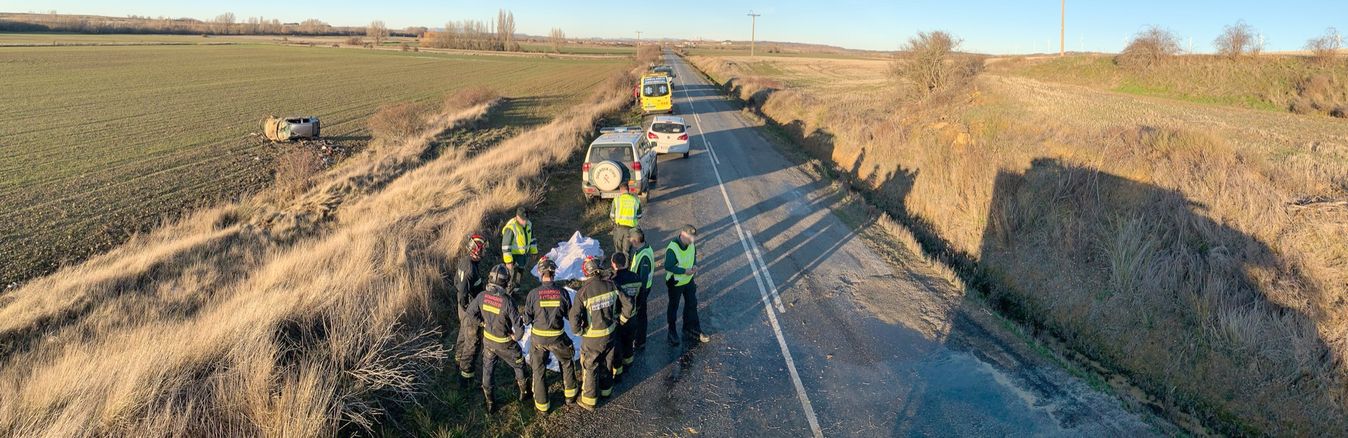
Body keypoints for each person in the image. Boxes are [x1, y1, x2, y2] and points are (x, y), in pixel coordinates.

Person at [568, 256, 633, 410]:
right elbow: (628, 305)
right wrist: (622, 320)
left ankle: (589, 400)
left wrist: (579, 331)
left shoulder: (583, 292)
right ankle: (606, 391)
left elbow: (574, 317)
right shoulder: (612, 284)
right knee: (607, 362)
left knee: (590, 366)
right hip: (610, 333)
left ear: (586, 271)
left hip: (592, 338)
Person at [463, 264, 529, 413]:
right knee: (519, 364)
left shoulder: (481, 296)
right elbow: (519, 331)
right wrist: (515, 336)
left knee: (488, 370)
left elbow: (469, 312)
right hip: (506, 344)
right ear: (506, 282)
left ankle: (490, 402)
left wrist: (482, 323)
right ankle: (525, 394)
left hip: (488, 342)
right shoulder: (508, 301)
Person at [524, 257, 577, 413]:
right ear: (554, 274)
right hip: (557, 337)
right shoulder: (562, 293)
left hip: (538, 340)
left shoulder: (533, 294)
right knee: (567, 362)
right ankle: (570, 396)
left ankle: (543, 406)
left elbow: (527, 319)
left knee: (538, 370)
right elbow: (570, 316)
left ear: (541, 274)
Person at [452, 233, 489, 386]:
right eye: (482, 250)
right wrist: (470, 310)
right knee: (472, 342)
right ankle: (465, 379)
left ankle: (458, 361)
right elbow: (462, 292)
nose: (483, 252)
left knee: (463, 333)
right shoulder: (470, 270)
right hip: (469, 309)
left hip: (464, 308)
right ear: (476, 250)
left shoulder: (464, 261)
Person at [665, 224, 709, 346]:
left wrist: (695, 265)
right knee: (674, 307)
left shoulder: (691, 244)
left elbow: (693, 256)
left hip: (688, 280)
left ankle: (691, 328)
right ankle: (672, 332)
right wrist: (684, 271)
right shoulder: (672, 248)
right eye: (691, 238)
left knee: (692, 304)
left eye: (694, 238)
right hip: (675, 282)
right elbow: (668, 266)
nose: (693, 240)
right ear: (683, 234)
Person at [610, 252, 643, 381]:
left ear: (613, 264)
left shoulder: (613, 281)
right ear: (626, 263)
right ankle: (628, 362)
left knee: (617, 345)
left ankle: (618, 371)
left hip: (618, 319)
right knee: (629, 341)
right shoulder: (636, 278)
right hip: (632, 316)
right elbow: (641, 298)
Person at [500, 207, 538, 295]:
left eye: (526, 219)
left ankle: (515, 290)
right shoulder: (511, 228)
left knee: (520, 272)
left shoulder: (528, 224)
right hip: (513, 256)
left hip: (522, 255)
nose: (524, 221)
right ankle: (507, 293)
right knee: (510, 275)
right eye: (522, 219)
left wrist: (534, 251)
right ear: (517, 217)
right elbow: (505, 246)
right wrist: (508, 261)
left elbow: (532, 239)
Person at [609, 188, 642, 256]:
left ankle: (618, 265)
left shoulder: (617, 200)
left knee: (618, 250)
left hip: (619, 228)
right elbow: (639, 215)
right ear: (628, 190)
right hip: (630, 229)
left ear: (621, 190)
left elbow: (612, 216)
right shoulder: (635, 200)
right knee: (627, 250)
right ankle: (627, 266)